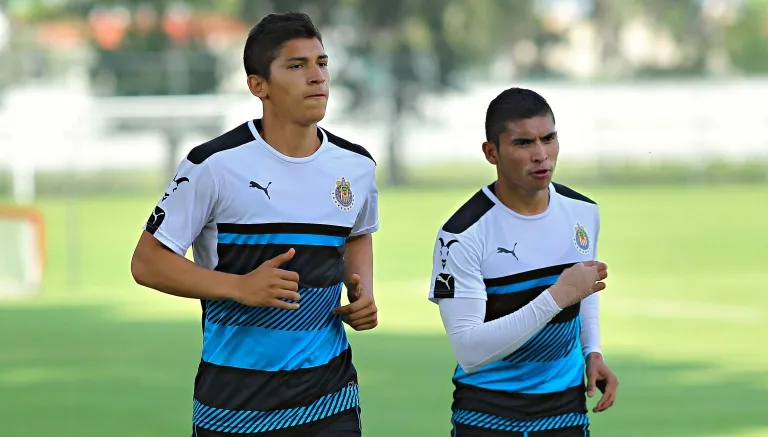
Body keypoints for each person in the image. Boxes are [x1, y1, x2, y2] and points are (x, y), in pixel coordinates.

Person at [130, 12, 379, 437]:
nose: (317, 77)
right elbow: (147, 263)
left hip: (329, 399)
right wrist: (239, 287)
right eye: (296, 66)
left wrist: (363, 292)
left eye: (322, 63)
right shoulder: (211, 165)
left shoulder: (356, 166)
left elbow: (357, 234)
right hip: (233, 406)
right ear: (257, 85)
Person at [428, 87, 619, 436]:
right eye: (523, 143)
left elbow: (584, 289)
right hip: (488, 416)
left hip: (566, 411)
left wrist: (592, 350)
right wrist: (557, 296)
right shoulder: (460, 235)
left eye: (549, 138)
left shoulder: (583, 212)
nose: (541, 155)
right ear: (491, 152)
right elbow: (469, 350)